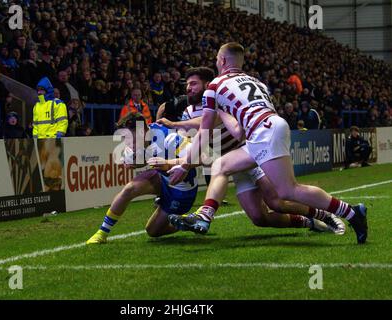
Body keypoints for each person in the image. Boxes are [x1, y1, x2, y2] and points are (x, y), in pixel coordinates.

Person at [168, 42, 367, 244]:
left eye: (217, 59)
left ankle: (351, 212)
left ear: (222, 60)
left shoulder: (215, 86)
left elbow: (204, 130)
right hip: (264, 130)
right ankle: (204, 215)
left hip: (263, 131)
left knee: (287, 192)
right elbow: (239, 132)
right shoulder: (257, 82)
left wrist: (184, 165)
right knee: (222, 166)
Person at [155, 67, 343, 233]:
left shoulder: (221, 100)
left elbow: (210, 122)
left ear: (207, 85)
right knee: (259, 218)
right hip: (234, 163)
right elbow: (197, 146)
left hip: (252, 152)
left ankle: (325, 215)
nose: (188, 88)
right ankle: (307, 223)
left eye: (194, 84)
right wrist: (174, 162)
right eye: (187, 84)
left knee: (276, 201)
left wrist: (174, 124)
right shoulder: (188, 112)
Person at [86, 112, 198, 244]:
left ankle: (188, 220)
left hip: (182, 188)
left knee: (153, 231)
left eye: (129, 138)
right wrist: (136, 162)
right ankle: (101, 233)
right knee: (129, 189)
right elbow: (148, 158)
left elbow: (201, 157)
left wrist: (168, 163)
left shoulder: (170, 138)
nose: (127, 143)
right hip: (162, 178)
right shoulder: (140, 141)